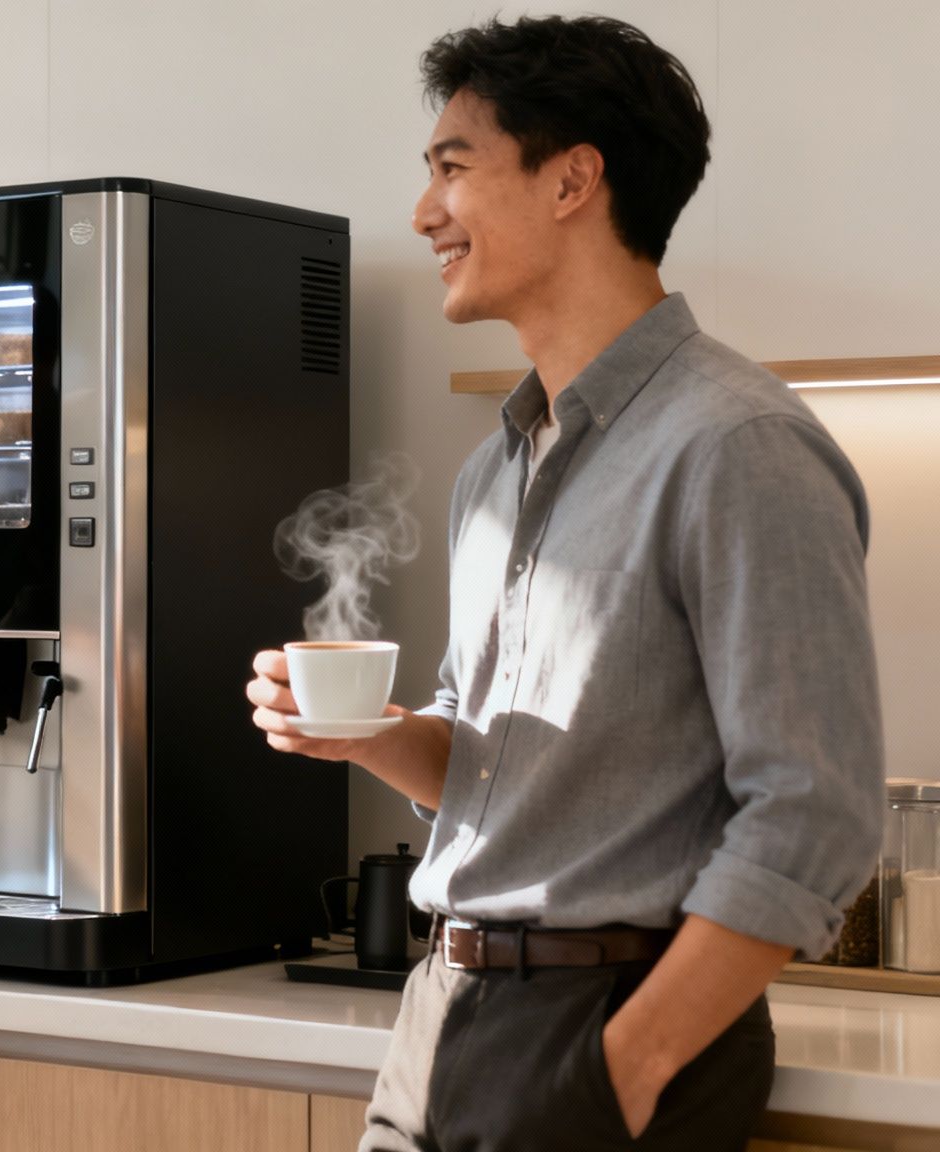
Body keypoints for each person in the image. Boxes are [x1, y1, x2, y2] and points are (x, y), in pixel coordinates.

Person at [247, 16, 882, 1151]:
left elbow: (812, 814)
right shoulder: (496, 468)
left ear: (572, 180)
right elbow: (489, 767)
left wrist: (625, 1067)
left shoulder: (737, 446)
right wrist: (367, 737)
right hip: (440, 1022)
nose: (422, 212)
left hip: (600, 1031)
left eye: (452, 167)